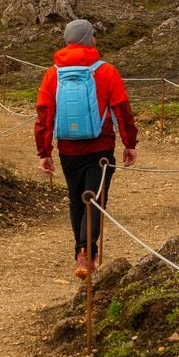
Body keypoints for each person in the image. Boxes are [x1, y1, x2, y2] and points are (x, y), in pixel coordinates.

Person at [35, 19, 138, 278]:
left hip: (68, 149)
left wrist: (45, 152)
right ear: (89, 40)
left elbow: (44, 115)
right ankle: (85, 253)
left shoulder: (52, 74)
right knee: (95, 199)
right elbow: (122, 110)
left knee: (76, 199)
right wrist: (129, 143)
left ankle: (81, 252)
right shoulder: (106, 71)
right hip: (100, 149)